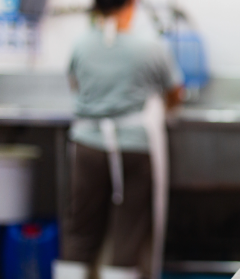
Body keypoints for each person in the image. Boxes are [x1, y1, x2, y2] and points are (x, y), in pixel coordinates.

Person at [54, 0, 182, 278]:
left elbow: (74, 83)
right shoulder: (151, 48)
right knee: (128, 232)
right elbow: (175, 94)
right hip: (134, 149)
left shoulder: (81, 44)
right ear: (130, 6)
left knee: (81, 229)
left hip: (86, 146)